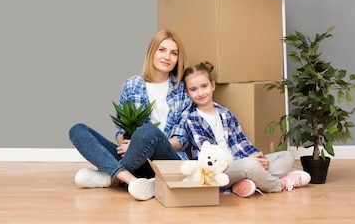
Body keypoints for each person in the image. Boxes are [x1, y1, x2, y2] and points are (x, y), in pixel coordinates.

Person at [68, 30, 192, 201]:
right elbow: (120, 130)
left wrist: (139, 144)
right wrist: (128, 145)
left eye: (174, 53)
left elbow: (181, 140)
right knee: (78, 130)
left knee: (148, 131)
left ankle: (111, 178)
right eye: (161, 50)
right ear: (152, 52)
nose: (167, 57)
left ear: (178, 59)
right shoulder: (131, 85)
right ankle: (132, 180)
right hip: (134, 159)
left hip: (165, 161)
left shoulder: (183, 90)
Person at [182, 61, 311, 197]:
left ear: (213, 85)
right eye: (193, 89)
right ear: (188, 93)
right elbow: (211, 155)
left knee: (286, 156)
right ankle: (279, 184)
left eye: (204, 86)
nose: (200, 93)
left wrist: (258, 158)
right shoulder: (192, 120)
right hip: (219, 171)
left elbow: (242, 139)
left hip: (241, 162)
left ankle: (246, 182)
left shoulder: (225, 113)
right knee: (250, 166)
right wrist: (248, 161)